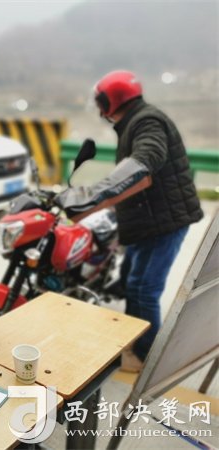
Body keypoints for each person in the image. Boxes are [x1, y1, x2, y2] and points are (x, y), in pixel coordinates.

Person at [56, 70, 203, 372]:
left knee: (145, 289)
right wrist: (105, 205)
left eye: (101, 101)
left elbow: (145, 161)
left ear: (110, 100)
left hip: (163, 222)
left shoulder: (147, 121)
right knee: (132, 284)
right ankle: (133, 343)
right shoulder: (134, 122)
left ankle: (146, 357)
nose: (99, 108)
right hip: (147, 220)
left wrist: (93, 195)